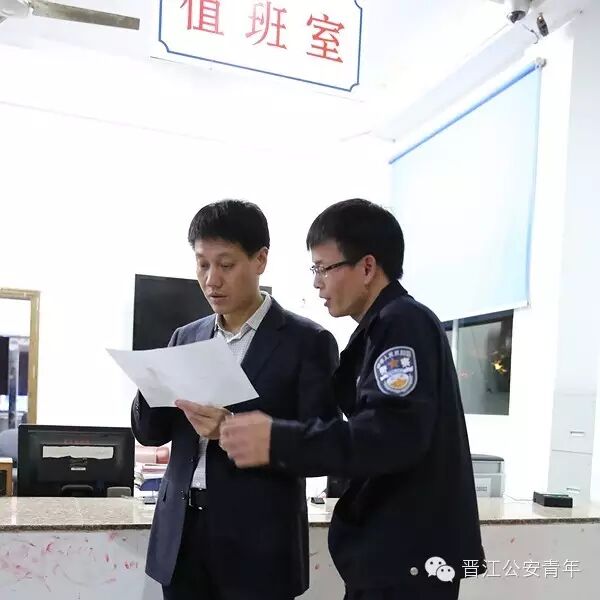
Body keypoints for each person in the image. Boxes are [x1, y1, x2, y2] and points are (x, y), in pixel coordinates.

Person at [221, 199, 486, 600]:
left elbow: (390, 434)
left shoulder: (402, 323)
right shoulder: (380, 328)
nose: (317, 283)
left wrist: (278, 439)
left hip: (407, 556)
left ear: (367, 267)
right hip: (394, 552)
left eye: (323, 268)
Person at [131, 200, 339, 600]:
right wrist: (149, 382)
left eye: (225, 265)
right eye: (202, 264)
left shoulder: (308, 342)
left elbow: (324, 448)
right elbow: (150, 433)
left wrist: (232, 429)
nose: (212, 280)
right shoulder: (185, 337)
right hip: (182, 536)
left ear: (260, 260)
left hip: (259, 544)